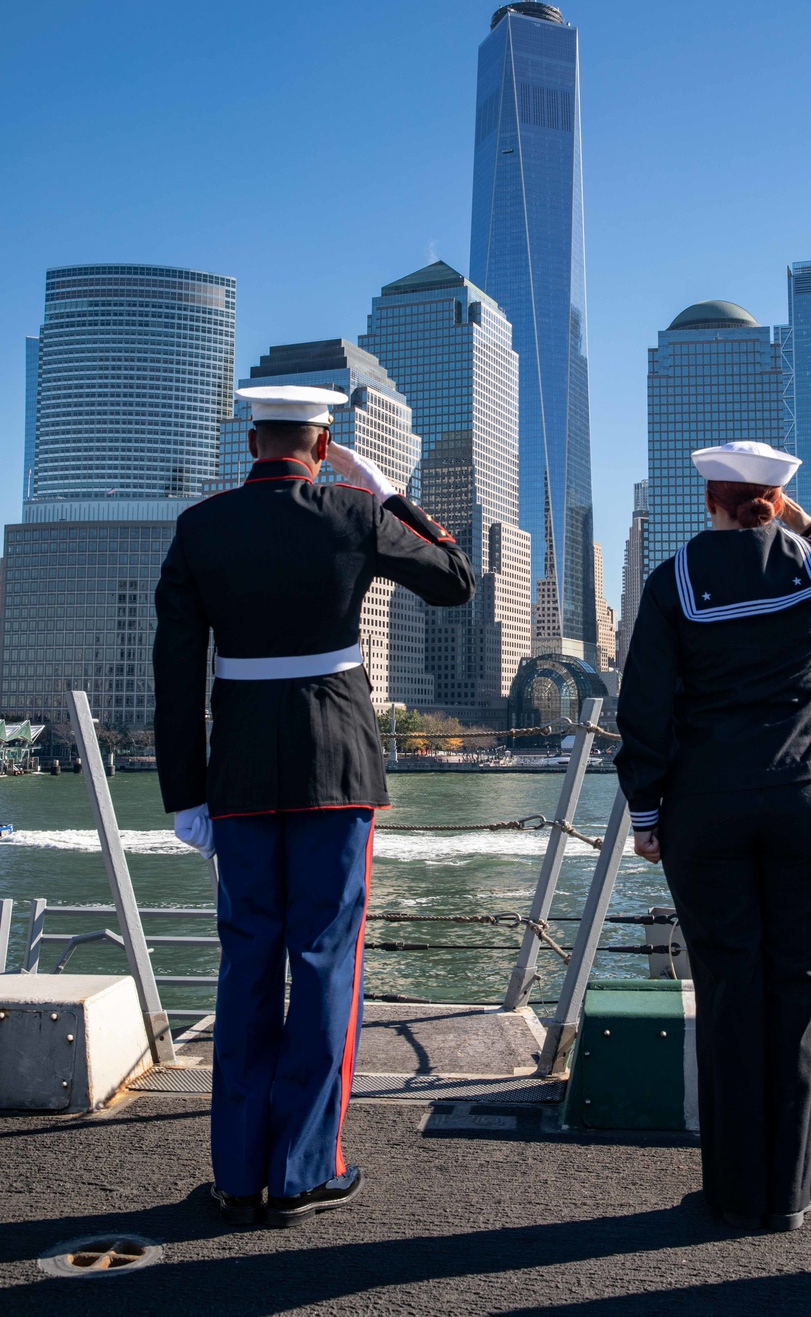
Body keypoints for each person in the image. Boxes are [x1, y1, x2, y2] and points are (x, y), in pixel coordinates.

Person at [153, 385, 475, 1227]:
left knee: (246, 962)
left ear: (250, 439)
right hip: (337, 765)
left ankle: (237, 1175)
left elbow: (177, 673)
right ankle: (303, 1173)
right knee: (327, 960)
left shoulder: (201, 526)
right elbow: (456, 582)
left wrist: (184, 792)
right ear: (323, 444)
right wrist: (389, 495)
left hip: (240, 778)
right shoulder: (353, 514)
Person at [614, 440, 811, 1233]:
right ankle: (788, 1194)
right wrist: (807, 523)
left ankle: (734, 1191)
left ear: (708, 498)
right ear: (774, 499)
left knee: (727, 987)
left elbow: (643, 709)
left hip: (706, 806)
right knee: (797, 984)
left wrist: (646, 813)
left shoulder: (672, 579)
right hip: (809, 801)